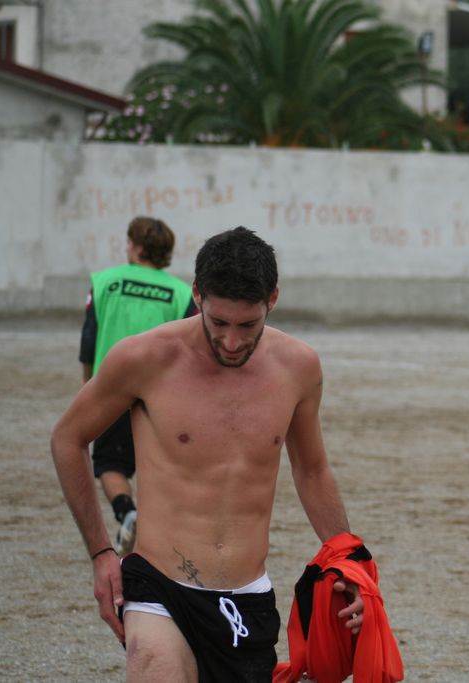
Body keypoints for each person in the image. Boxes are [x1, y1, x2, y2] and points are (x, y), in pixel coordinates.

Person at [51, 227, 365, 682]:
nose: (232, 342)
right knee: (154, 664)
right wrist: (101, 553)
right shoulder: (145, 358)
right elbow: (68, 438)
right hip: (158, 584)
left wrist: (348, 562)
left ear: (273, 300)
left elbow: (312, 470)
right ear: (197, 295)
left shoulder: (298, 367)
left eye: (248, 325)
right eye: (218, 323)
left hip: (247, 596)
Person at [79, 216, 198, 556]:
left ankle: (127, 513)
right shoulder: (181, 292)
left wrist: (89, 388)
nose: (127, 247)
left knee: (110, 465)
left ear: (137, 247)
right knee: (158, 466)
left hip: (112, 391)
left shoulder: (104, 282)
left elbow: (89, 343)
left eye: (129, 242)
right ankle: (160, 530)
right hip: (162, 397)